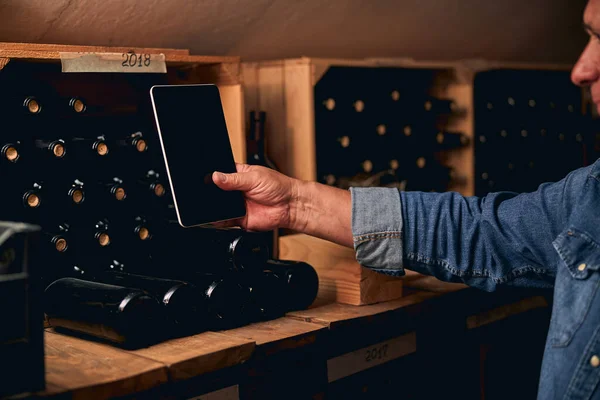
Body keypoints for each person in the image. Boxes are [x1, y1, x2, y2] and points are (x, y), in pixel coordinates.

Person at [212, 1, 600, 398]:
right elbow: (480, 233)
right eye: (588, 36)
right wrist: (295, 204)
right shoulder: (592, 190)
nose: (582, 70)